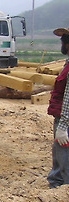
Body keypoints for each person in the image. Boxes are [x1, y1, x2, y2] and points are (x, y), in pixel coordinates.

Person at [46, 27, 69, 188]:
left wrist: (63, 126)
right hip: (61, 118)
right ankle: (56, 181)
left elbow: (68, 98)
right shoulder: (67, 63)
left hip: (65, 119)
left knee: (64, 154)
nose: (61, 43)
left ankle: (64, 187)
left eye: (63, 40)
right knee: (58, 152)